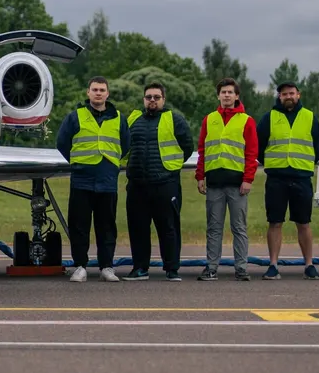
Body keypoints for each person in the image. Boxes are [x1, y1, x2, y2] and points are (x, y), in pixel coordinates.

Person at [56, 76, 130, 283]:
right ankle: (80, 266)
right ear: (88, 93)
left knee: (107, 226)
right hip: (82, 179)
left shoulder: (118, 118)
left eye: (102, 90)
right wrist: (78, 161)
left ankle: (107, 267)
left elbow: (125, 144)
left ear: (108, 93)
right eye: (95, 89)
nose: (98, 93)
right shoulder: (75, 117)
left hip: (107, 180)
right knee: (79, 225)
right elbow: (62, 142)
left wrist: (110, 161)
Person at [124, 82, 195, 282]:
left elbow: (187, 146)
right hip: (138, 184)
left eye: (156, 97)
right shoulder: (133, 118)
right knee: (138, 228)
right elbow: (124, 144)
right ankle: (140, 268)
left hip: (165, 183)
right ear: (143, 99)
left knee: (169, 228)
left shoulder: (175, 119)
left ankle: (172, 269)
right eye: (149, 97)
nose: (152, 100)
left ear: (163, 99)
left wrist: (170, 168)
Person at [257, 81, 319, 280]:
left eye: (292, 93)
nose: (288, 97)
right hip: (276, 178)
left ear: (299, 95)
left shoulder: (310, 117)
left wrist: (303, 163)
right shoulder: (269, 118)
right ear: (279, 96)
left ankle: (309, 265)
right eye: (284, 94)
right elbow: (259, 146)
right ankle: (273, 265)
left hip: (301, 177)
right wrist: (273, 163)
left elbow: (318, 147)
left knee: (303, 223)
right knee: (275, 222)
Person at [195, 77, 259, 282]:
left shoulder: (246, 120)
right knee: (214, 227)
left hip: (237, 184)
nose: (227, 95)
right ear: (218, 95)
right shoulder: (209, 119)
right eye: (223, 92)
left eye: (230, 92)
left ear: (237, 96)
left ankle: (241, 268)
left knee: (239, 228)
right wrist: (200, 175)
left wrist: (248, 179)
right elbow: (203, 149)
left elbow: (251, 152)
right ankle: (211, 267)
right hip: (214, 182)